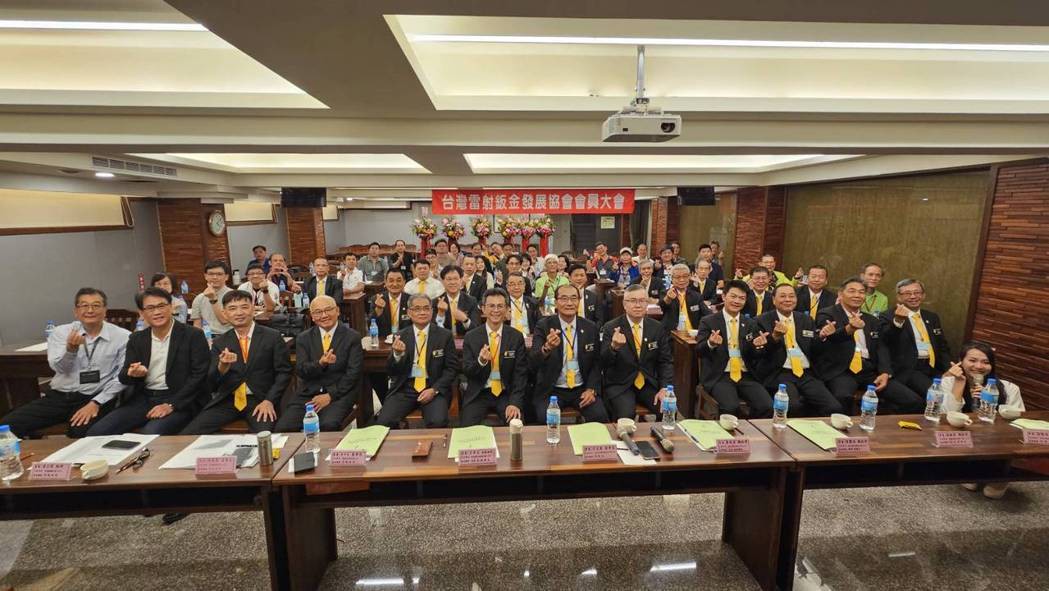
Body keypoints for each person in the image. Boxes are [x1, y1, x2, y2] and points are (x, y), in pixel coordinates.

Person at [0, 288, 129, 438]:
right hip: (59, 397)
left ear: (105, 310)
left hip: (94, 397)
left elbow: (122, 376)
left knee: (80, 433)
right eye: (84, 305)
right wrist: (70, 351)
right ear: (76, 311)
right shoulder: (61, 333)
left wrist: (96, 402)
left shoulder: (122, 337)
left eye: (96, 305)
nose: (90, 310)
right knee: (8, 426)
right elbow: (60, 368)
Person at [89, 288, 209, 435]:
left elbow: (199, 376)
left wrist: (171, 404)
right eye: (150, 308)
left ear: (171, 307)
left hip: (180, 400)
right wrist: (132, 373)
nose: (157, 312)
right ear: (141, 313)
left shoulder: (193, 335)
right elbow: (123, 377)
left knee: (151, 433)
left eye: (161, 306)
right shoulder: (137, 339)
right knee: (97, 431)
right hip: (144, 398)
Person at [181, 290, 291, 434]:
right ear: (225, 313)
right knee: (188, 434)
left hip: (260, 399)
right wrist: (222, 367)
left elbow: (284, 373)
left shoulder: (272, 337)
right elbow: (210, 384)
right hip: (228, 400)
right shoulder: (220, 342)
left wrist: (269, 400)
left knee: (265, 438)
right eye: (232, 308)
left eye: (244, 307)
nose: (239, 313)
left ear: (253, 308)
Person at [814, 277, 914, 414]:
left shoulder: (871, 320)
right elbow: (831, 338)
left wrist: (885, 372)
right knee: (843, 397)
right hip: (841, 370)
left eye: (861, 292)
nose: (857, 295)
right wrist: (849, 329)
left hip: (868, 370)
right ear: (840, 294)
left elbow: (881, 346)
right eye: (852, 291)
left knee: (911, 400)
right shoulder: (827, 313)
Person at [942, 341, 1025, 499]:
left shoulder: (1009, 388)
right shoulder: (947, 383)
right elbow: (944, 417)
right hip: (962, 443)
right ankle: (968, 468)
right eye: (972, 360)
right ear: (960, 361)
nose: (979, 366)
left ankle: (1000, 474)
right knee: (970, 483)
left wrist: (989, 404)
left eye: (986, 362)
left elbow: (1017, 423)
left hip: (997, 445)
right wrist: (959, 385)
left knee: (992, 492)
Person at [748, 284, 841, 417]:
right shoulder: (761, 321)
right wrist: (774, 338)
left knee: (833, 407)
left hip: (806, 373)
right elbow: (758, 353)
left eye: (791, 296)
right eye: (783, 296)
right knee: (792, 406)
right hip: (779, 372)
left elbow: (815, 350)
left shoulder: (805, 319)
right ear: (773, 300)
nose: (788, 299)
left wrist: (822, 337)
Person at [275, 296, 362, 432]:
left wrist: (330, 395)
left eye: (328, 310)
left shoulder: (352, 337)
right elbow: (301, 370)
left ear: (337, 311)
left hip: (338, 394)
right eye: (318, 312)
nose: (324, 315)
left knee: (328, 425)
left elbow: (353, 374)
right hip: (309, 393)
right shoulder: (304, 338)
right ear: (312, 317)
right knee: (283, 428)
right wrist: (320, 364)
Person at [375, 295, 460, 429]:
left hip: (432, 385)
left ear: (432, 311)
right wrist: (397, 354)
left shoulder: (444, 335)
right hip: (405, 387)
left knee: (437, 422)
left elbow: (452, 369)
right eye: (417, 309)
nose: (422, 312)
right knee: (384, 422)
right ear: (409, 313)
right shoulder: (400, 336)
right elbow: (392, 371)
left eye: (426, 308)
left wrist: (435, 390)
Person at [530, 284, 610, 423]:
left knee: (600, 416)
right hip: (552, 390)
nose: (569, 303)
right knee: (545, 419)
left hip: (581, 388)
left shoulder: (590, 327)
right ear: (556, 302)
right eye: (564, 298)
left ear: (579, 301)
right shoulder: (544, 326)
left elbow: (596, 363)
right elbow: (533, 360)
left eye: (573, 298)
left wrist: (591, 389)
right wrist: (547, 348)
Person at [696, 280, 772, 417]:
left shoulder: (750, 323)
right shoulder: (708, 321)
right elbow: (699, 351)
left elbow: (756, 355)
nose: (737, 301)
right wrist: (711, 343)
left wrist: (758, 346)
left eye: (742, 298)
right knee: (730, 407)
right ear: (724, 296)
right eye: (733, 296)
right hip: (720, 375)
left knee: (766, 406)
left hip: (745, 374)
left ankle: (750, 429)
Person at [601, 284, 674, 420]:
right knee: (626, 415)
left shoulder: (657, 328)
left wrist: (664, 388)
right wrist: (613, 347)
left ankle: (659, 434)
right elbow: (603, 362)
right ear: (624, 304)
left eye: (642, 301)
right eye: (633, 301)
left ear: (647, 304)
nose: (638, 305)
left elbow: (665, 361)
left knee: (668, 409)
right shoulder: (611, 327)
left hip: (648, 383)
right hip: (621, 384)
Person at [460, 288, 529, 427]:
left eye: (500, 306)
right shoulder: (471, 337)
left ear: (507, 309)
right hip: (479, 393)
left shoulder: (516, 337)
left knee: (516, 424)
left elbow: (520, 374)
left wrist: (515, 403)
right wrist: (481, 361)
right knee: (467, 428)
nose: (496, 310)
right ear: (483, 309)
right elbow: (467, 371)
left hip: (505, 393)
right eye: (491, 306)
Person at [880, 279, 950, 411]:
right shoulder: (888, 316)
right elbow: (886, 340)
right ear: (899, 297)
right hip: (909, 369)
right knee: (937, 396)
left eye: (917, 292)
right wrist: (898, 321)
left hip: (933, 368)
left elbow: (942, 347)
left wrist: (948, 370)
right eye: (907, 293)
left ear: (923, 295)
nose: (913, 296)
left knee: (957, 390)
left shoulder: (932, 317)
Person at [369, 269, 410, 404]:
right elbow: (370, 325)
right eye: (391, 281)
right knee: (374, 373)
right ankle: (385, 402)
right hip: (382, 344)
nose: (395, 284)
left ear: (404, 282)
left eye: (399, 280)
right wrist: (378, 310)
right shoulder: (377, 299)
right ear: (385, 283)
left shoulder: (410, 300)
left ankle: (400, 401)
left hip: (405, 344)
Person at [659, 264, 710, 333]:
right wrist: (668, 298)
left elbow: (707, 314)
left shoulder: (696, 296)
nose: (682, 280)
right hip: (672, 335)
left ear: (689, 277)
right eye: (677, 277)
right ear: (672, 278)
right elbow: (663, 305)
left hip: (692, 334)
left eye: (685, 276)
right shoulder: (666, 293)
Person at [433, 265, 480, 337]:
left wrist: (465, 320)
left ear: (461, 280)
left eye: (456, 279)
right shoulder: (436, 302)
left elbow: (477, 329)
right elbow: (432, 331)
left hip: (465, 340)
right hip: (443, 341)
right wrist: (440, 315)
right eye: (449, 279)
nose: (452, 282)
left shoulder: (471, 301)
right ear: (443, 282)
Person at [191, 260, 233, 335]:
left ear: (226, 277)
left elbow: (224, 321)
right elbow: (197, 325)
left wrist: (213, 299)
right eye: (211, 274)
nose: (215, 277)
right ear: (205, 276)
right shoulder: (199, 298)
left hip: (228, 335)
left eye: (219, 274)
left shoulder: (234, 295)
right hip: (206, 336)